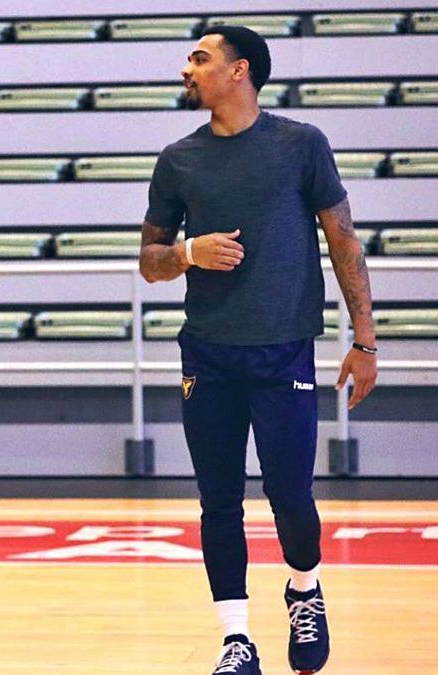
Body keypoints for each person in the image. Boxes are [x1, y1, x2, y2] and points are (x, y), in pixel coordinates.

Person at [139, 25, 377, 675]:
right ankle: (236, 639)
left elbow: (344, 240)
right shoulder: (178, 159)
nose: (187, 69)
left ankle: (304, 588)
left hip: (283, 352)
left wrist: (364, 339)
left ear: (239, 70)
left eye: (200, 58)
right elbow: (150, 261)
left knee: (290, 494)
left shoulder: (302, 146)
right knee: (218, 498)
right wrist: (190, 251)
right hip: (209, 353)